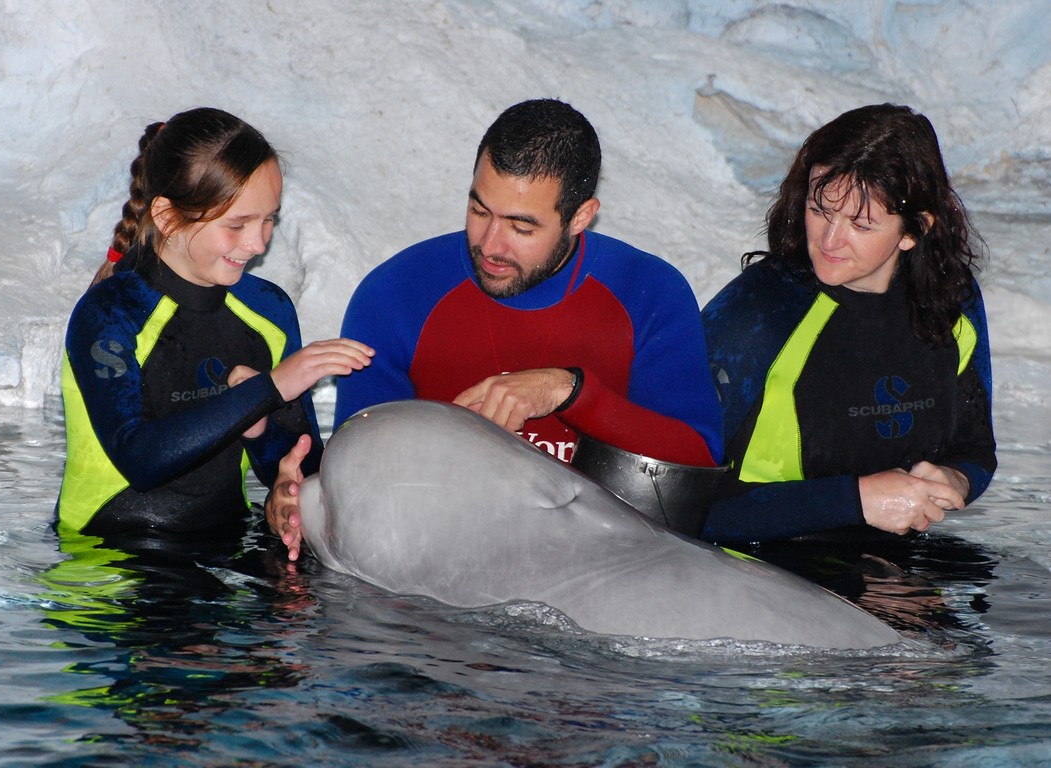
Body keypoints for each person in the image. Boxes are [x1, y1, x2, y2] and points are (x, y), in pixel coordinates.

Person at [267, 98, 724, 556]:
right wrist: (304, 495)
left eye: (521, 227)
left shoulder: (647, 294)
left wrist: (570, 392)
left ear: (581, 217)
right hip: (439, 560)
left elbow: (698, 458)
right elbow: (361, 478)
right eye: (479, 211)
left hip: (600, 563)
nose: (490, 245)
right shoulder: (398, 294)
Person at [57, 107, 373, 541]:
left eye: (269, 219)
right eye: (237, 224)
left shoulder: (268, 310)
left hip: (225, 538)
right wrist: (267, 389)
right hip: (108, 555)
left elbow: (302, 462)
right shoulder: (111, 312)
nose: (258, 243)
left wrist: (274, 463)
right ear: (167, 217)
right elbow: (139, 458)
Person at [700, 103, 996, 547]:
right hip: (752, 562)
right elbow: (666, 502)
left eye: (861, 224)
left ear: (913, 230)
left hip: (886, 559)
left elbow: (976, 450)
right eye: (819, 210)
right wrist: (854, 501)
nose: (830, 240)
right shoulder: (760, 312)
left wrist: (956, 479)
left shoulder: (950, 300)